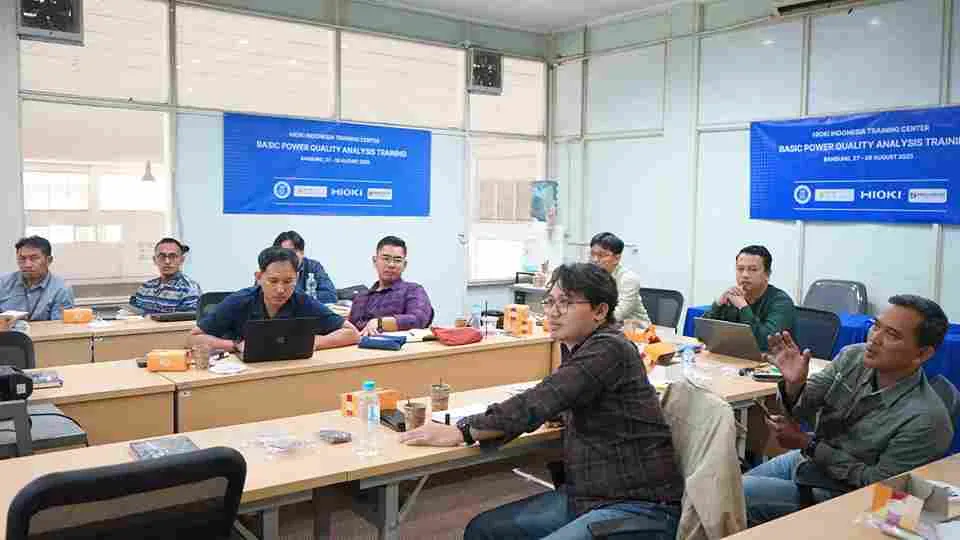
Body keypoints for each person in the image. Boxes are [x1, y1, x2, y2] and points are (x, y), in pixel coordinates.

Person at [399, 263, 684, 540]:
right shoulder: (579, 346)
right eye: (550, 302)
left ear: (600, 311)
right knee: (483, 530)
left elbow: (542, 398)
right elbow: (562, 397)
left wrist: (461, 431)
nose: (553, 312)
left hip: (638, 505)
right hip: (588, 496)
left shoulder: (610, 348)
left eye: (566, 303)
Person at [743, 295, 953, 526]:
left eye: (892, 335)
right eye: (876, 326)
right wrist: (795, 386)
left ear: (922, 354)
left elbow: (881, 491)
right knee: (725, 489)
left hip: (851, 497)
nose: (874, 339)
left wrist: (809, 444)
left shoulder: (926, 418)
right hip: (810, 460)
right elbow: (803, 409)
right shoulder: (853, 356)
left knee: (737, 496)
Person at [190, 246, 359, 353]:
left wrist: (313, 342)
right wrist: (235, 345)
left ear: (296, 278)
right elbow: (194, 338)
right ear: (259, 277)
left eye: (288, 281)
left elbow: (351, 333)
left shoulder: (302, 300)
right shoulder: (239, 301)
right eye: (273, 281)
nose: (280, 289)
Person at [703, 245, 795, 351]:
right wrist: (718, 304)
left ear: (767, 274)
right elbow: (703, 335)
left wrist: (743, 307)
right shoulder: (732, 298)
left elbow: (765, 343)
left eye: (753, 269)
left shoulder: (782, 302)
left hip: (769, 359)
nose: (745, 275)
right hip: (734, 357)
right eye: (740, 269)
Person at [348, 236, 433, 337]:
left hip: (402, 345)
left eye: (397, 260)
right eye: (386, 259)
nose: (391, 264)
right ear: (375, 261)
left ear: (404, 265)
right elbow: (351, 328)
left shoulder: (413, 290)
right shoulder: (361, 297)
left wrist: (379, 323)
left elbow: (418, 319)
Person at [0, 236, 74, 332]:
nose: (27, 264)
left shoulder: (61, 289)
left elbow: (58, 328)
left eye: (34, 258)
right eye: (22, 259)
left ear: (49, 260)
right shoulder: (3, 282)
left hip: (44, 338)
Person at [589, 232, 651, 326]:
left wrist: (588, 322)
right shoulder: (591, 276)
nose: (595, 259)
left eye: (601, 255)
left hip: (636, 330)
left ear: (617, 259)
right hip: (606, 327)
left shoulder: (629, 279)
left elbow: (619, 314)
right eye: (592, 254)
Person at [129, 238, 202, 315]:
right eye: (162, 256)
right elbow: (132, 314)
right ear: (155, 260)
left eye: (173, 256)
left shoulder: (189, 289)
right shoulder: (145, 287)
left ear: (182, 260)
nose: (167, 261)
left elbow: (188, 321)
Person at [273, 231, 337, 303]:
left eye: (292, 252)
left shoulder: (313, 267)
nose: (289, 257)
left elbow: (331, 295)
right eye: (285, 253)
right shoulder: (271, 268)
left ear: (302, 253)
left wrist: (299, 298)